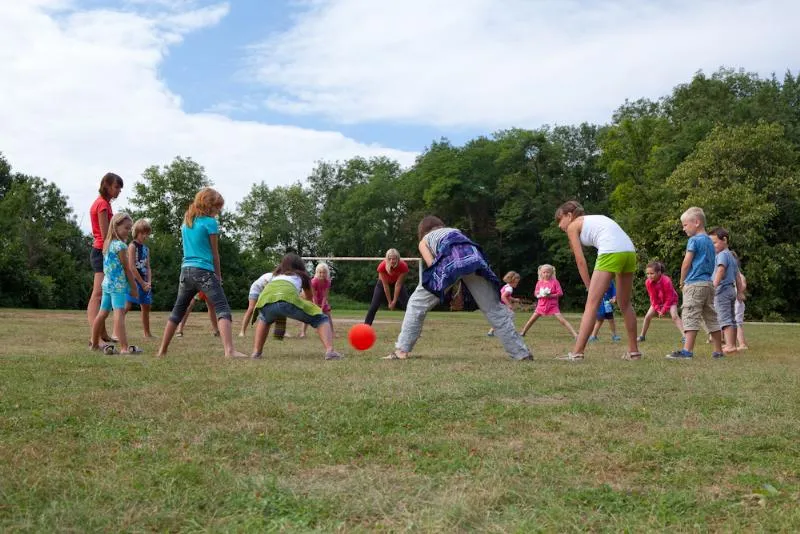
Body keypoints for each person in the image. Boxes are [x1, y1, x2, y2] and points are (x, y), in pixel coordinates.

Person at [385, 216, 532, 361]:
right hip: (475, 259)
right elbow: (463, 252)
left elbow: (432, 264)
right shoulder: (456, 231)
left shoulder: (424, 240)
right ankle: (521, 353)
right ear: (440, 225)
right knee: (494, 309)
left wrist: (448, 283)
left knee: (417, 304)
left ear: (423, 231)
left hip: (450, 262)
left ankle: (402, 351)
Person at [156, 188, 245, 358]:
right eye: (217, 208)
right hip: (204, 270)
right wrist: (218, 276)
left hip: (186, 271)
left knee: (178, 310)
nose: (218, 212)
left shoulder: (187, 221)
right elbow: (214, 254)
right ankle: (229, 351)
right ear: (208, 205)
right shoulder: (210, 223)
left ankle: (162, 351)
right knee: (222, 307)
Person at [555, 201, 641, 361]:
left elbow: (580, 261)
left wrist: (589, 286)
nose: (560, 226)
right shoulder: (595, 218)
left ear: (569, 216)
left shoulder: (573, 226)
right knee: (625, 303)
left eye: (560, 220)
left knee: (591, 304)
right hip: (629, 251)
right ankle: (634, 352)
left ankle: (577, 353)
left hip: (611, 252)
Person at [251, 253, 341, 360]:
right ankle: (330, 351)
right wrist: (311, 310)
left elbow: (270, 290)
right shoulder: (301, 276)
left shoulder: (275, 275)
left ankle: (256, 352)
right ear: (300, 265)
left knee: (264, 320)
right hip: (288, 299)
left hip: (265, 301)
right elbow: (308, 297)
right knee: (321, 318)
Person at [666, 207, 724, 360]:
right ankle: (718, 351)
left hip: (694, 284)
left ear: (696, 222)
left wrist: (682, 280)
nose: (683, 228)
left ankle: (687, 351)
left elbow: (686, 263)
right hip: (708, 284)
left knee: (690, 315)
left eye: (685, 225)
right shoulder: (711, 242)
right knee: (711, 317)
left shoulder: (694, 240)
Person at [90, 213, 142, 354]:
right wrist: (133, 287)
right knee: (119, 313)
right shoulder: (120, 246)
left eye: (130, 228)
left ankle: (94, 343)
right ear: (115, 227)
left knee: (102, 314)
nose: (128, 231)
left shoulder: (107, 244)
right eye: (126, 228)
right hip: (117, 286)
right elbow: (127, 268)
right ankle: (125, 348)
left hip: (107, 284)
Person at [87, 172, 123, 345]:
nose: (118, 191)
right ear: (106, 185)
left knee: (103, 294)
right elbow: (105, 233)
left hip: (104, 251)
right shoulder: (102, 204)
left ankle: (103, 334)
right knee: (98, 294)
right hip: (101, 252)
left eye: (120, 189)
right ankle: (95, 339)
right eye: (116, 187)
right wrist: (113, 252)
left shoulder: (105, 204)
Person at [519, 264, 578, 338]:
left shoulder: (555, 282)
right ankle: (523, 332)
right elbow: (535, 293)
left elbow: (560, 293)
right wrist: (539, 294)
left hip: (553, 306)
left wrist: (550, 295)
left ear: (551, 273)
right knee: (531, 320)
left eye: (548, 272)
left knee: (562, 321)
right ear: (541, 273)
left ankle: (575, 335)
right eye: (544, 272)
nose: (546, 274)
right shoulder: (539, 282)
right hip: (541, 305)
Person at [710, 227, 739, 354]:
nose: (713, 246)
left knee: (724, 318)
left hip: (722, 290)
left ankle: (730, 345)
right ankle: (732, 344)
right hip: (731, 289)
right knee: (732, 319)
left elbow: (720, 270)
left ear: (725, 240)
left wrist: (713, 287)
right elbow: (737, 275)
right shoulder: (731, 255)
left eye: (715, 243)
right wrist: (741, 291)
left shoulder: (722, 255)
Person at [638, 261, 684, 342]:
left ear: (659, 272)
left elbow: (669, 298)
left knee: (674, 316)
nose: (649, 276)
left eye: (651, 273)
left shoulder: (667, 281)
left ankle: (685, 336)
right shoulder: (648, 282)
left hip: (671, 300)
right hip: (657, 302)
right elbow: (652, 297)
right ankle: (642, 336)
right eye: (647, 273)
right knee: (647, 316)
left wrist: (663, 310)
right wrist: (658, 309)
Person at [364, 248, 410, 325]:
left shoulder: (403, 266)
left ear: (398, 259)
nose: (392, 261)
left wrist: (394, 301)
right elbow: (385, 286)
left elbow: (398, 285)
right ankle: (366, 327)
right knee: (374, 306)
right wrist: (389, 302)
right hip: (383, 284)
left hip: (397, 283)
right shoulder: (382, 266)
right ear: (387, 259)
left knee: (408, 306)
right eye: (390, 259)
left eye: (394, 259)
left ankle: (411, 326)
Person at [125, 218, 154, 338]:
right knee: (127, 306)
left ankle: (147, 333)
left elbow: (148, 267)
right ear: (137, 232)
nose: (145, 235)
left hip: (144, 282)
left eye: (147, 233)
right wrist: (141, 283)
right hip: (134, 281)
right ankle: (116, 331)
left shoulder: (146, 249)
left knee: (146, 307)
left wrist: (149, 282)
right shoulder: (132, 246)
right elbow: (131, 267)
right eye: (143, 233)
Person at [301, 263, 334, 338]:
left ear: (327, 273)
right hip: (310, 298)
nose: (322, 274)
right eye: (320, 272)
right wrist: (316, 308)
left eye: (324, 272)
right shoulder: (314, 282)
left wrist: (322, 307)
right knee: (308, 315)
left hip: (321, 299)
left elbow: (325, 296)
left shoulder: (328, 282)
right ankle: (303, 332)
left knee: (328, 315)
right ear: (317, 272)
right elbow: (314, 296)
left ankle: (332, 332)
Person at [239, 272, 274, 336]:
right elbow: (267, 286)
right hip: (256, 289)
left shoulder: (281, 279)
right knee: (251, 308)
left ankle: (281, 331)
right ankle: (242, 331)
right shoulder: (270, 276)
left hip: (266, 291)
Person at [488, 271, 521, 336]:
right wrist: (509, 305)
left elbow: (507, 296)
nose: (517, 284)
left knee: (501, 319)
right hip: (502, 306)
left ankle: (491, 332)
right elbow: (503, 296)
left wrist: (514, 299)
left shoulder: (506, 286)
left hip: (498, 305)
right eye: (516, 282)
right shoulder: (509, 288)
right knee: (511, 316)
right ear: (512, 281)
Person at [733, 252, 749, 350]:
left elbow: (742, 287)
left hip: (737, 303)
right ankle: (731, 343)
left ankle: (742, 344)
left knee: (737, 322)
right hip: (732, 302)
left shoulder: (739, 275)